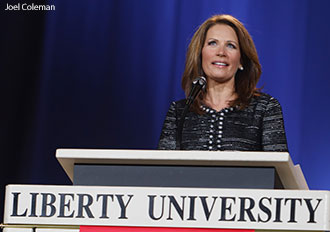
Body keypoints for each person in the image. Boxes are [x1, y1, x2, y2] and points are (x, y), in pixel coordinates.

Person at [158, 14, 288, 151]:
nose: (221, 52)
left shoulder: (265, 109)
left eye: (231, 46)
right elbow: (163, 170)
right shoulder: (179, 112)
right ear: (200, 53)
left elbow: (278, 170)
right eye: (212, 43)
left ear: (241, 60)